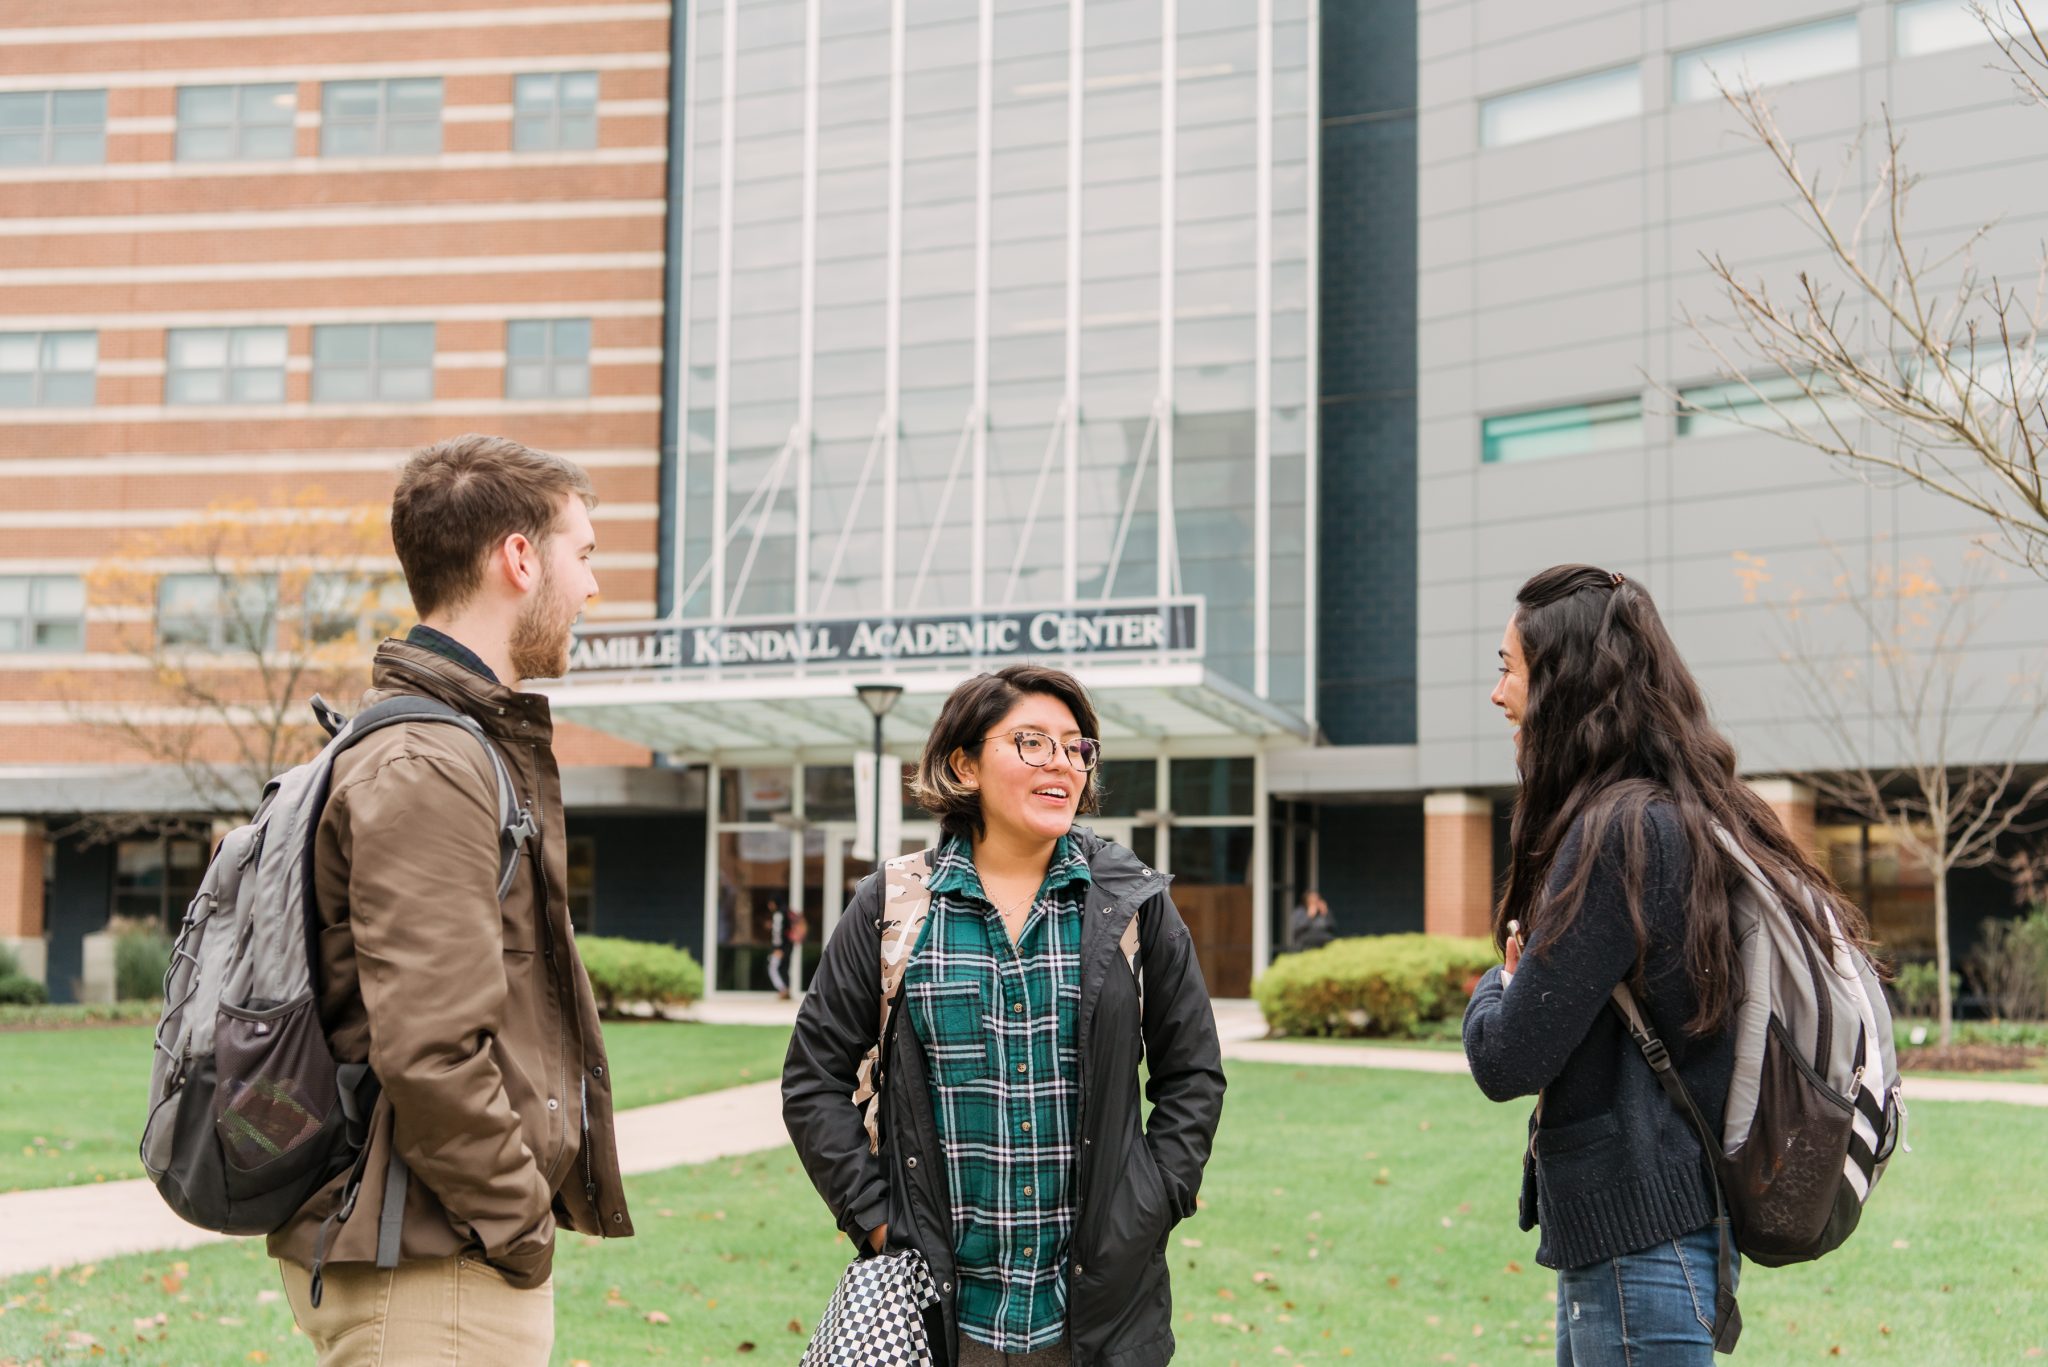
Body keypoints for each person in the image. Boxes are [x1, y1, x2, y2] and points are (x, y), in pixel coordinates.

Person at [269, 434, 634, 1365]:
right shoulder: (429, 763)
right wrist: (520, 1226)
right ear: (519, 557)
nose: (593, 586)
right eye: (583, 554)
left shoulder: (445, 746)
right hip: (436, 1268)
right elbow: (429, 1049)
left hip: (436, 1252)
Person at [1461, 565, 1869, 1365]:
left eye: (1509, 667)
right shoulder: (1671, 814)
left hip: (1639, 1255)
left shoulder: (1618, 834)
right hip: (1652, 1247)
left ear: (1567, 685)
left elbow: (1507, 1056)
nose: (1498, 692)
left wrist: (1498, 984)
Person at [784, 664, 1226, 1367]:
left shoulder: (1132, 902)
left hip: (1099, 1315)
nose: (1062, 763)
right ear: (963, 764)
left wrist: (1151, 1202)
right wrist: (876, 1221)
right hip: (940, 1315)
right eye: (1032, 742)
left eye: (1076, 746)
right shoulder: (893, 904)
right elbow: (813, 1080)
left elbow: (1193, 1075)